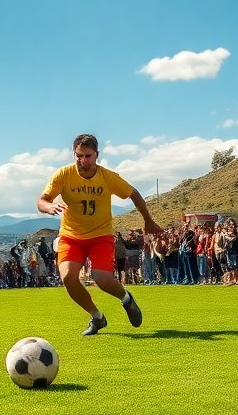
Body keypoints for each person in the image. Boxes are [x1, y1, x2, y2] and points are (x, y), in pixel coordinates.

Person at [37, 133, 163, 335]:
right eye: (78, 156)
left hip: (100, 236)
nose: (82, 161)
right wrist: (49, 206)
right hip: (71, 236)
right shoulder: (63, 174)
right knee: (68, 277)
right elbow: (42, 200)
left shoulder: (107, 177)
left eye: (87, 156)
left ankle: (127, 300)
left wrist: (148, 220)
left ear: (97, 155)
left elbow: (134, 194)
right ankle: (97, 317)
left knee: (102, 279)